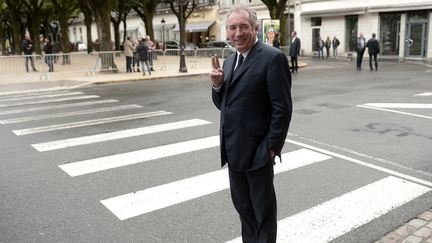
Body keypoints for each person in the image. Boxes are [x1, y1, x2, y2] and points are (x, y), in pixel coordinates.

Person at [210, 6, 292, 243]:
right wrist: (217, 86)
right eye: (232, 28)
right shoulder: (228, 62)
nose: (238, 33)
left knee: (263, 213)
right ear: (227, 31)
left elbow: (282, 108)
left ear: (255, 28)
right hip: (233, 151)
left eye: (243, 27)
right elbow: (223, 105)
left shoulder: (272, 57)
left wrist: (271, 148)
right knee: (244, 211)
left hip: (258, 152)